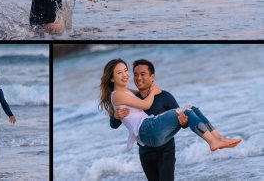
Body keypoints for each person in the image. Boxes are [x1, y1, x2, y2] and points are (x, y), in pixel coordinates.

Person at [99, 59, 241, 156]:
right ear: (112, 78)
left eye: (125, 70)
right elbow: (146, 104)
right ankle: (212, 142)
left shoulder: (126, 91)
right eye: (119, 73)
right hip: (147, 130)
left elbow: (140, 92)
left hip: (151, 133)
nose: (125, 75)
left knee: (192, 108)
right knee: (186, 110)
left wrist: (152, 87)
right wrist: (153, 91)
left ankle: (219, 137)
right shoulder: (117, 95)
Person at [109, 59, 187, 181]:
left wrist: (184, 123)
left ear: (152, 77)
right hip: (145, 152)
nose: (138, 78)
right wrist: (115, 115)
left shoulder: (164, 96)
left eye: (143, 74)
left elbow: (179, 118)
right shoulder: (130, 98)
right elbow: (113, 124)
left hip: (166, 149)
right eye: (135, 74)